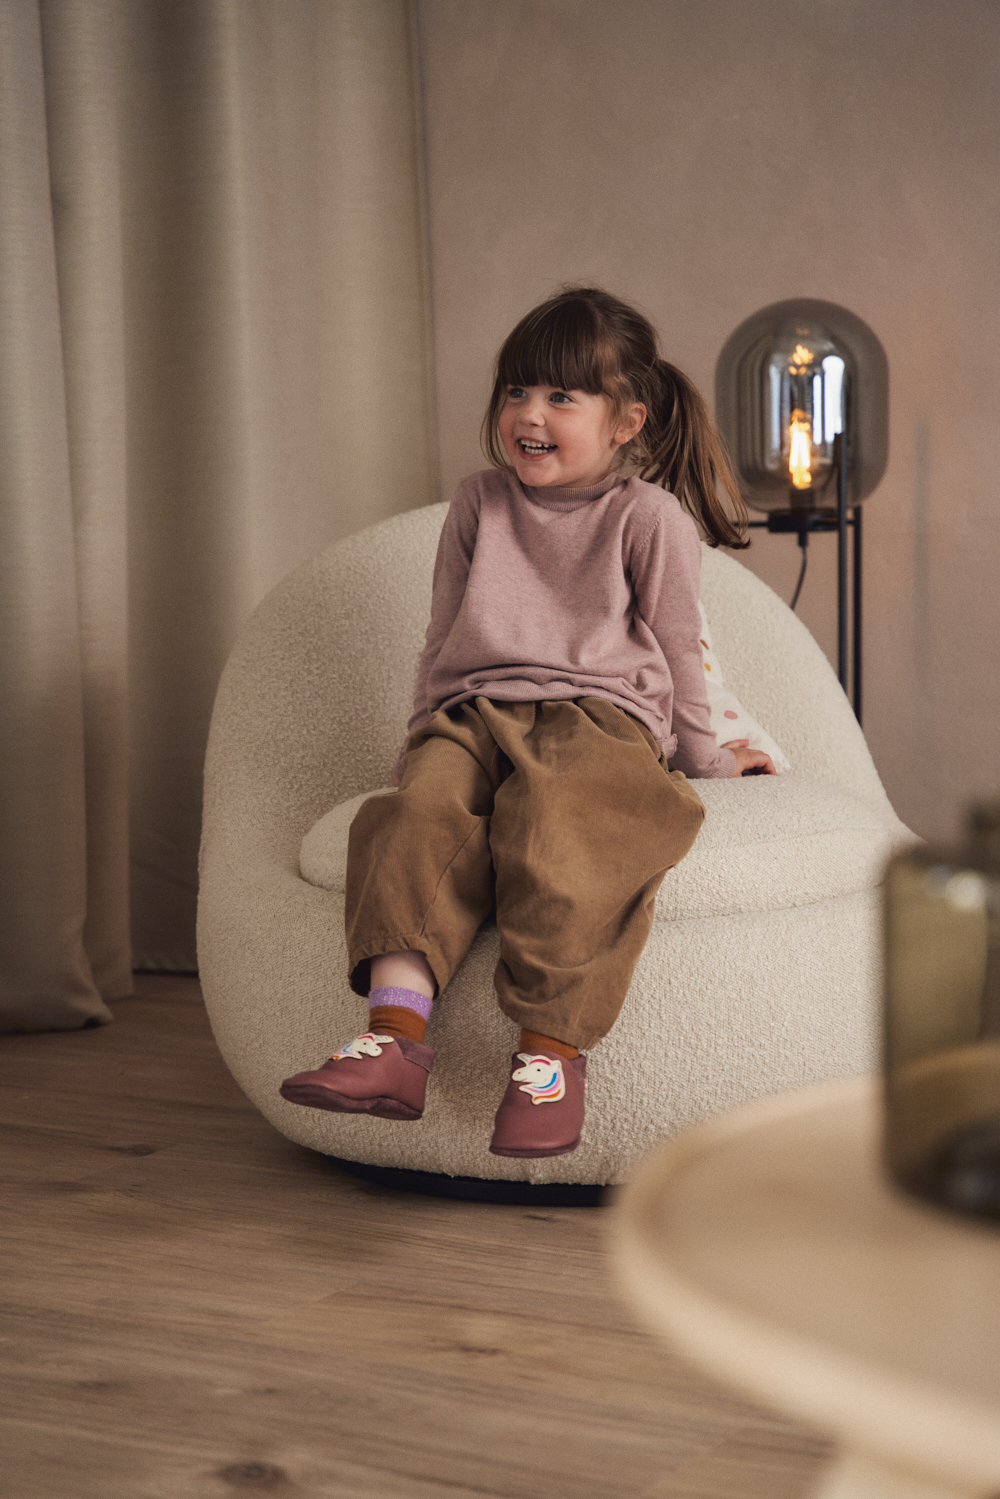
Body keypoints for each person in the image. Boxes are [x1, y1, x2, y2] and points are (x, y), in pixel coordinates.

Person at [280, 286, 775, 1158]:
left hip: (600, 720)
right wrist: (421, 737)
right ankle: (393, 1042)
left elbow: (678, 649)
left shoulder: (648, 518)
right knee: (411, 819)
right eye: (516, 390)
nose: (529, 414)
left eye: (560, 396)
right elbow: (442, 633)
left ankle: (547, 1059)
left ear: (626, 421)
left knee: (561, 834)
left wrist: (706, 754)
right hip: (471, 710)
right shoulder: (479, 503)